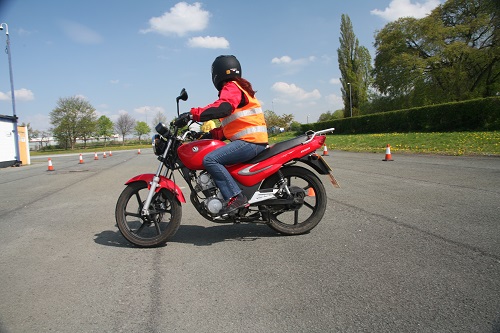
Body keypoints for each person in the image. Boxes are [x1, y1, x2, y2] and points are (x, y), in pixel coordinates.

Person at [176, 55, 268, 215]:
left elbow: (223, 107)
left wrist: (192, 114)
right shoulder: (239, 88)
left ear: (216, 74)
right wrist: (204, 136)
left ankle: (235, 197)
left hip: (250, 142)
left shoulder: (232, 87)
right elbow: (226, 129)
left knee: (210, 159)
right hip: (252, 141)